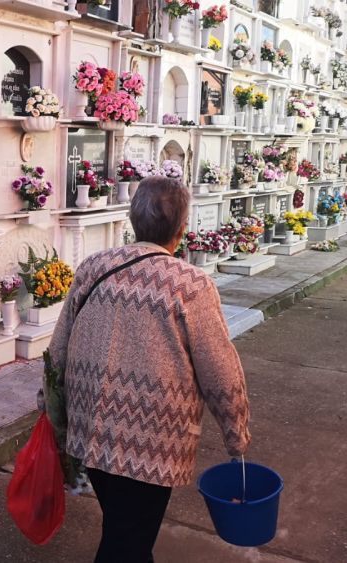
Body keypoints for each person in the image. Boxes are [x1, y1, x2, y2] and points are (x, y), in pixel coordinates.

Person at [46, 176, 251, 563]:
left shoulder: (93, 267)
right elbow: (220, 369)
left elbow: (58, 347)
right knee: (127, 543)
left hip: (91, 430)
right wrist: (235, 434)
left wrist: (53, 411)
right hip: (152, 444)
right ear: (182, 228)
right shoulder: (190, 284)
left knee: (125, 531)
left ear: (132, 218)